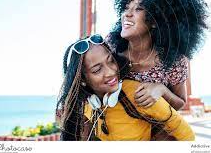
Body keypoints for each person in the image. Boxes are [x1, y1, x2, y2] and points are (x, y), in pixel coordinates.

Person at [106, 0, 208, 140]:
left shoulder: (174, 60)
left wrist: (161, 89)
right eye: (127, 7)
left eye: (139, 8)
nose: (128, 14)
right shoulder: (110, 45)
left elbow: (181, 102)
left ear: (155, 20)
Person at [56, 34, 195, 141]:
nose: (110, 72)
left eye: (111, 60)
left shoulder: (138, 93)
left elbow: (184, 132)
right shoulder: (87, 104)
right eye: (97, 70)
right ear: (83, 80)